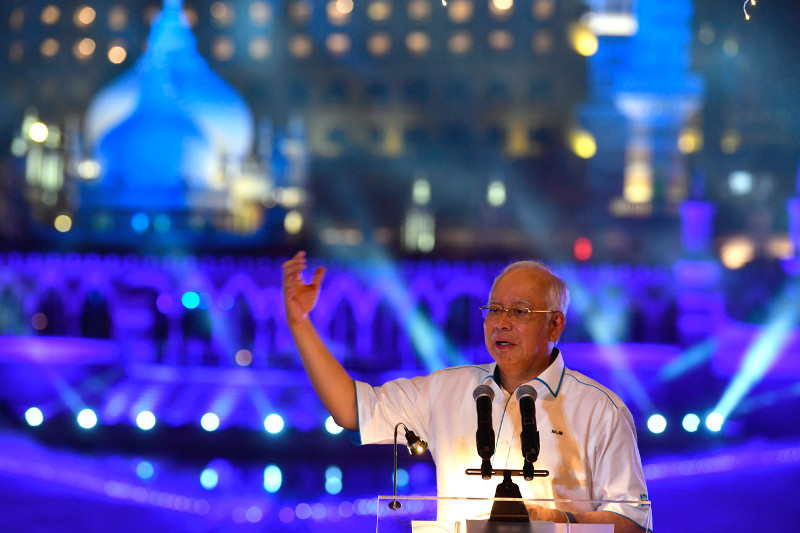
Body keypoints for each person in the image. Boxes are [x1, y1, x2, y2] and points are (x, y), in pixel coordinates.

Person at [282, 251, 651, 531]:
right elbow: (351, 409)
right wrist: (300, 324)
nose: (501, 323)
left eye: (520, 312)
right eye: (494, 310)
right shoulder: (448, 390)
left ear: (555, 326)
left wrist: (558, 521)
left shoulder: (601, 411)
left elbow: (633, 523)